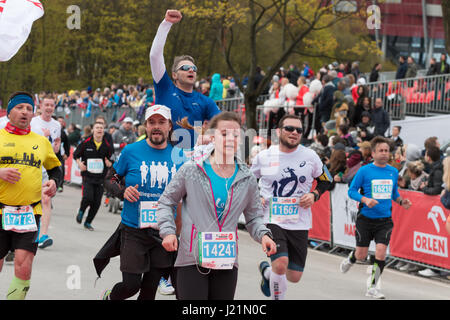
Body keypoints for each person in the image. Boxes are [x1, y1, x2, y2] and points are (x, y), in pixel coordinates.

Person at [157, 111, 277, 300]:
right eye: (224, 134)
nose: (230, 139)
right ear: (212, 137)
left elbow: (253, 217)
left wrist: (264, 235)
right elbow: (166, 201)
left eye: (235, 135)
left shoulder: (246, 177)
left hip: (226, 261)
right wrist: (168, 231)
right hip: (191, 258)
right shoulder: (192, 169)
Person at [96, 105, 185, 300]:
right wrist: (122, 190)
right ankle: (111, 296)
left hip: (163, 231)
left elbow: (186, 194)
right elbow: (110, 178)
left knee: (149, 289)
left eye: (161, 122)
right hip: (133, 230)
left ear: (169, 126)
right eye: (152, 122)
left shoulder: (179, 156)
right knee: (131, 285)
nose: (156, 127)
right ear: (145, 126)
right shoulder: (131, 151)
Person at [251, 114, 332, 300]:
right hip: (271, 218)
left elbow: (326, 180)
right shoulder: (264, 156)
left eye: (298, 130)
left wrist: (314, 194)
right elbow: (248, 180)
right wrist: (257, 195)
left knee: (294, 276)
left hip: (299, 221)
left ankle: (267, 273)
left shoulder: (310, 156)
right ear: (279, 131)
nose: (294, 132)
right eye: (289, 128)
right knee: (280, 264)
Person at [0, 92, 61, 300]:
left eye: (28, 108)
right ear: (9, 112)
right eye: (20, 108)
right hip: (0, 209)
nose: (25, 112)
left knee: (24, 268)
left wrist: (54, 182)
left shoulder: (41, 142)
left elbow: (55, 169)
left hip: (29, 213)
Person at [340, 136, 412, 299]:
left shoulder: (393, 171)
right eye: (381, 150)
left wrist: (401, 201)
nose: (385, 153)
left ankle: (373, 286)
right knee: (361, 255)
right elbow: (351, 191)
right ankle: (351, 258)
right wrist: (365, 199)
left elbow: (393, 193)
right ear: (373, 153)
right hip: (365, 218)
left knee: (381, 252)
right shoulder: (364, 170)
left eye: (387, 151)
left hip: (385, 220)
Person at [149, 9, 221, 149]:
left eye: (194, 68)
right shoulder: (164, 88)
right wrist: (166, 23)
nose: (190, 70)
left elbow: (223, 124)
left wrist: (210, 136)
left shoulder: (205, 101)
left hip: (193, 161)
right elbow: (154, 56)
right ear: (174, 75)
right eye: (185, 67)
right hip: (164, 155)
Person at [30, 94, 62, 249]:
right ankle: (30, 232)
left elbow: (56, 147)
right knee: (30, 201)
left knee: (46, 199)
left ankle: (43, 235)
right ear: (41, 106)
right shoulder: (33, 122)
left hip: (46, 168)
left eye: (52, 105)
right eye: (46, 104)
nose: (49, 107)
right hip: (31, 166)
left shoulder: (57, 125)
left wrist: (55, 145)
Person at [73, 122, 113, 230]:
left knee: (97, 202)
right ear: (93, 130)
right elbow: (76, 155)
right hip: (88, 176)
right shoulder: (86, 142)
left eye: (101, 128)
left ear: (103, 131)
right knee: (88, 197)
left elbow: (111, 159)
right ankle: (81, 210)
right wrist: (79, 164)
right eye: (97, 128)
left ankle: (88, 222)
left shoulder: (107, 145)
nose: (99, 130)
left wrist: (109, 163)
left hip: (100, 177)